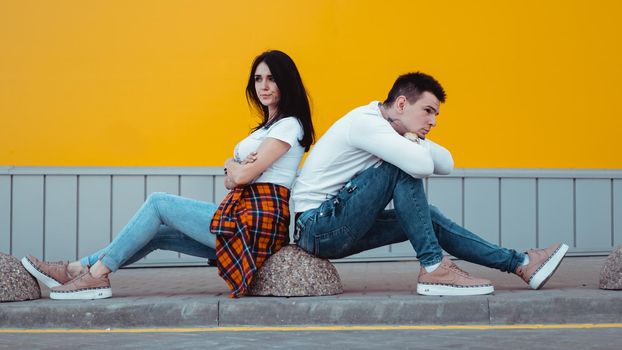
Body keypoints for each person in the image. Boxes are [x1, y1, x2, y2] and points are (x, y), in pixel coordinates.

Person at [21, 50, 315, 300]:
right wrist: (233, 164)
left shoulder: (289, 125)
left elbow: (239, 178)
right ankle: (76, 268)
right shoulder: (266, 129)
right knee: (157, 234)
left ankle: (95, 274)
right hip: (240, 213)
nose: (263, 86)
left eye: (271, 78)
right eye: (258, 79)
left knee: (159, 203)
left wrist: (237, 169)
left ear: (285, 82)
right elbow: (233, 177)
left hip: (256, 222)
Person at [291, 72, 568, 296]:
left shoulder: (394, 127)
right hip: (316, 226)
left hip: (336, 226)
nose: (433, 121)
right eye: (427, 111)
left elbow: (446, 163)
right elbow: (421, 166)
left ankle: (521, 264)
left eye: (436, 114)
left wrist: (411, 137)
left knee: (429, 218)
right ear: (401, 104)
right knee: (399, 167)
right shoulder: (364, 123)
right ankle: (434, 265)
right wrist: (411, 142)